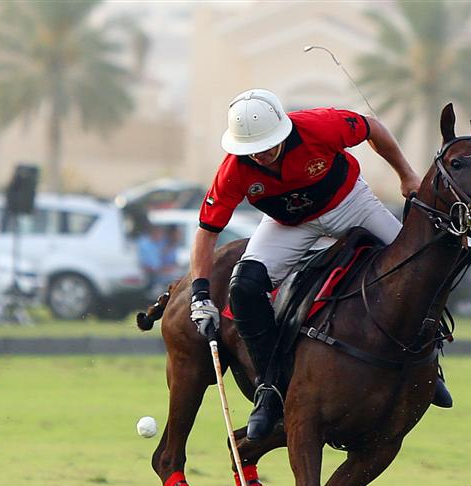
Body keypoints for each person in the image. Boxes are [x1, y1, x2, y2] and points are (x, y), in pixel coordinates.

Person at [188, 89, 450, 442]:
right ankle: (269, 389)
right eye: (254, 150)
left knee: (417, 268)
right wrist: (201, 296)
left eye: (268, 145)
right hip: (288, 224)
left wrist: (406, 175)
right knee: (244, 286)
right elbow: (207, 232)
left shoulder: (319, 126)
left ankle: (430, 368)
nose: (262, 155)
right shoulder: (234, 169)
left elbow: (373, 128)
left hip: (349, 203)